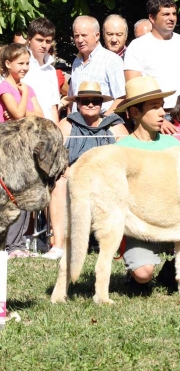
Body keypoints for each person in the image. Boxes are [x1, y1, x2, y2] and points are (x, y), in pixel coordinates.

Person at [43, 82, 129, 260]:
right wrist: (68, 172)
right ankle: (58, 245)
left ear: (101, 103)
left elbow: (127, 157)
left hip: (107, 180)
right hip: (73, 177)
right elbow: (53, 155)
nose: (90, 104)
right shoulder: (67, 124)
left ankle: (115, 245)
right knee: (58, 184)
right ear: (78, 103)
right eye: (85, 101)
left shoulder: (115, 126)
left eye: (95, 101)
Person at [113, 76, 180, 291]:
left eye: (162, 106)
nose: (163, 112)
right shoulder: (121, 148)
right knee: (143, 276)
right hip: (139, 228)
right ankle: (134, 271)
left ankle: (172, 270)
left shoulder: (174, 144)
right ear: (135, 113)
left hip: (174, 224)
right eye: (155, 107)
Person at [124, 0, 180, 117]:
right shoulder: (137, 46)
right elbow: (134, 88)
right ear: (152, 18)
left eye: (174, 14)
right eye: (166, 14)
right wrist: (156, 119)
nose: (172, 18)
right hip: (151, 116)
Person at [0, 44, 43, 258]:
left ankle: (17, 245)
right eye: (21, 63)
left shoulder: (27, 88)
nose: (25, 67)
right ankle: (10, 245)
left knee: (26, 194)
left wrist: (23, 111)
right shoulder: (5, 88)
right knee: (10, 196)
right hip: (7, 149)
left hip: (24, 149)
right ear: (8, 64)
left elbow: (40, 115)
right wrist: (23, 98)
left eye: (27, 63)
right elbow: (17, 115)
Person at [69, 15, 125, 115]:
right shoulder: (76, 62)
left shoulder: (111, 60)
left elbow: (121, 97)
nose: (80, 40)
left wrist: (102, 123)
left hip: (102, 124)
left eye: (84, 35)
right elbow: (71, 99)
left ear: (97, 35)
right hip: (76, 124)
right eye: (76, 36)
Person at [23, 17, 59, 124]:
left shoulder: (51, 70)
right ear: (29, 39)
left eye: (48, 41)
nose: (44, 45)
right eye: (39, 40)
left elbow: (53, 106)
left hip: (47, 130)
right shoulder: (20, 65)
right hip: (24, 128)